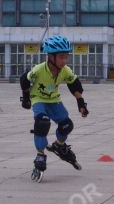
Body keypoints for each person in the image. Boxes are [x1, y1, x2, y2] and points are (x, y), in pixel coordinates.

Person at [20, 35, 89, 183]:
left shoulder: (65, 70)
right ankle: (40, 154)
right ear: (51, 57)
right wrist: (26, 99)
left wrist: (81, 103)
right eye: (62, 57)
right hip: (39, 99)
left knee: (67, 125)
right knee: (42, 123)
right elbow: (24, 79)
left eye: (66, 57)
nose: (65, 61)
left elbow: (74, 84)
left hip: (54, 100)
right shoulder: (39, 70)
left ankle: (59, 146)